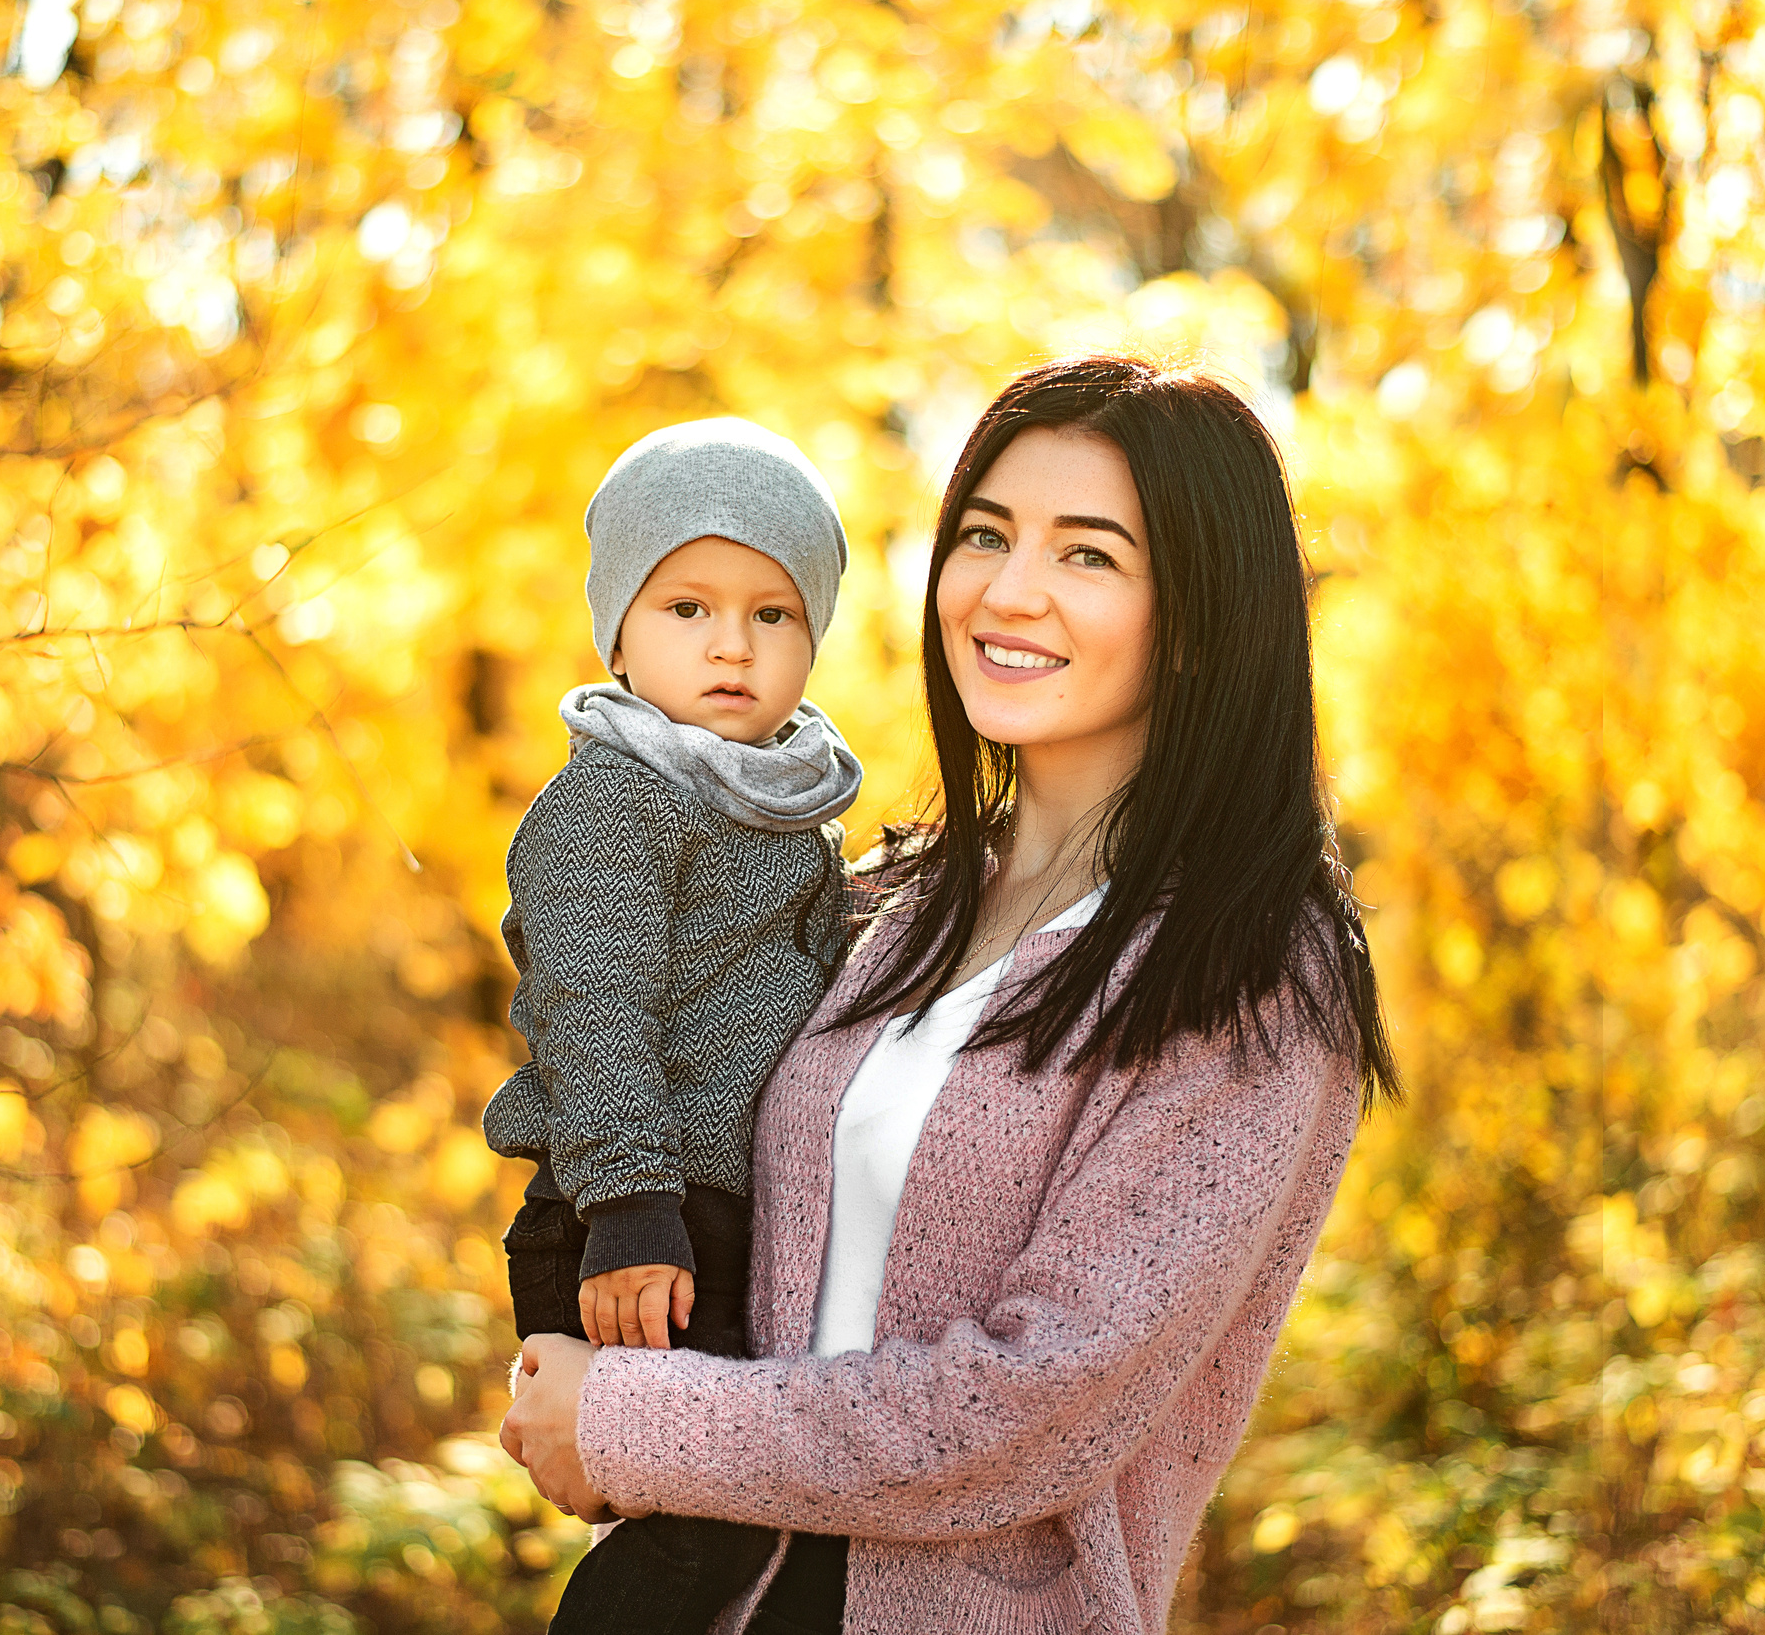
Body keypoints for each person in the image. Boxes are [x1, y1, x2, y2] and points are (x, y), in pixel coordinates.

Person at [501, 355, 1398, 1635]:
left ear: (1198, 616)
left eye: (1087, 554)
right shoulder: (889, 901)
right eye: (985, 533)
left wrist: (633, 1421)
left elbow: (1028, 1408)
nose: (1006, 589)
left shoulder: (1252, 969)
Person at [478, 416, 865, 1633]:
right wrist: (629, 1203)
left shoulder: (788, 808)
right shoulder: (611, 800)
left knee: (753, 1526)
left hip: (717, 1216)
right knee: (700, 1533)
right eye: (686, 607)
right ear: (620, 630)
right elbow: (592, 1009)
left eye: (772, 613)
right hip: (631, 1215)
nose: (731, 646)